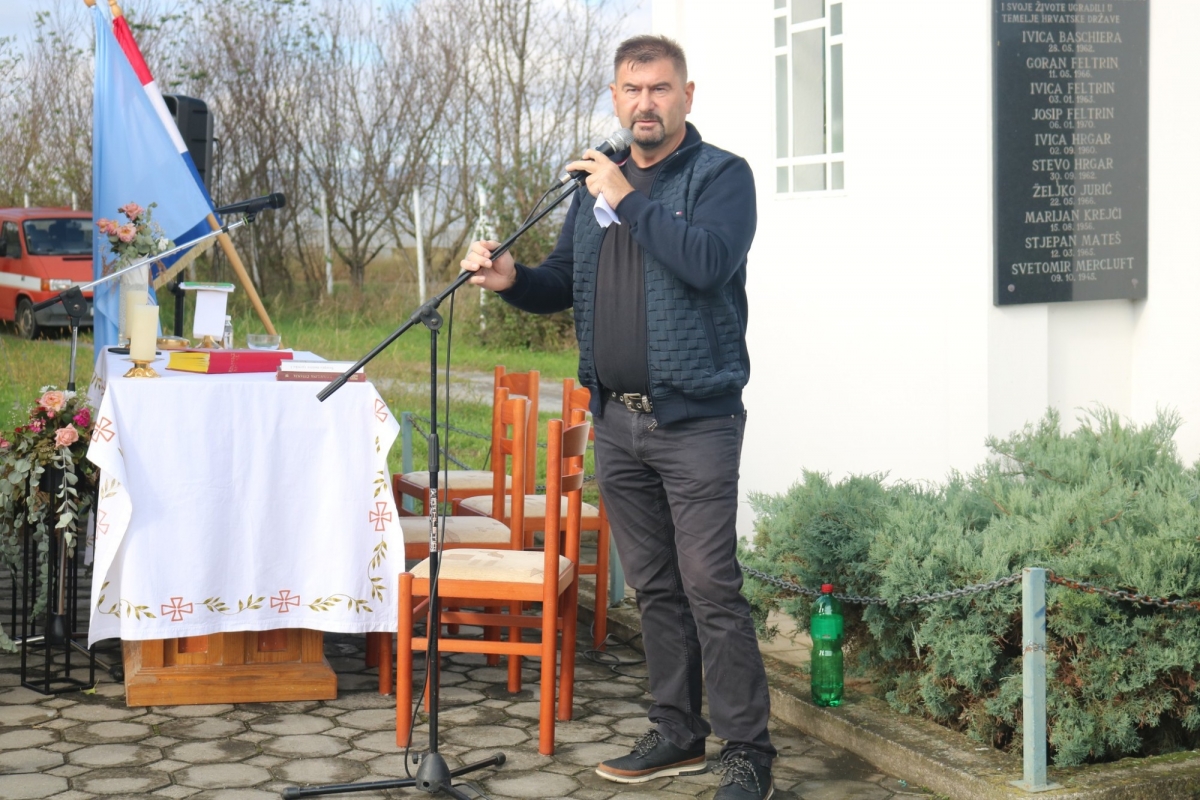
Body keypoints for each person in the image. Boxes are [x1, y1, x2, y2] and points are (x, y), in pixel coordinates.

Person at [461, 34, 775, 800]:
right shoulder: (593, 191)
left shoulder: (721, 177)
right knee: (656, 588)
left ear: (687, 96)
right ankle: (675, 731)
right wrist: (511, 279)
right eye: (632, 89)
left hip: (696, 422)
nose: (645, 103)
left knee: (711, 587)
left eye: (660, 89)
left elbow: (706, 263)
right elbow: (564, 280)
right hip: (618, 422)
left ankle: (748, 753)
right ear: (614, 97)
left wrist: (625, 198)